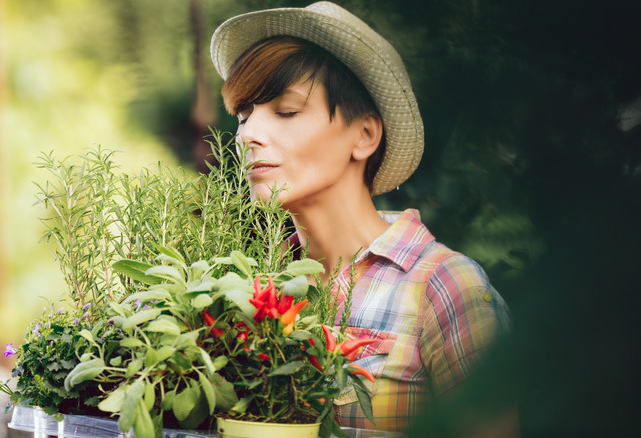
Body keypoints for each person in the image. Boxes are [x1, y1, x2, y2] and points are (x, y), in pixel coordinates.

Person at [210, 2, 512, 432]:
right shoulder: (252, 288)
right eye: (243, 115)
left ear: (364, 135)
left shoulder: (443, 287)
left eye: (286, 111)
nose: (247, 135)